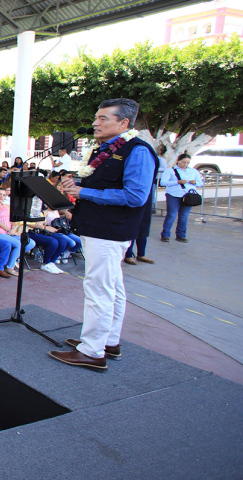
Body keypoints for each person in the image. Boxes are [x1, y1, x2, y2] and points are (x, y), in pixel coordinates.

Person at [53, 98, 159, 371]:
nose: (95, 123)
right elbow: (105, 184)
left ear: (124, 123)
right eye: (96, 117)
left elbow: (135, 196)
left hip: (110, 230)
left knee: (98, 288)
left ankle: (91, 351)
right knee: (112, 286)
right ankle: (108, 340)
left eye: (103, 118)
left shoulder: (137, 151)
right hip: (97, 226)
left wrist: (84, 192)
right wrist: (77, 183)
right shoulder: (108, 148)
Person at [159, 153, 203, 244]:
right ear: (178, 161)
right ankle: (165, 234)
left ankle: (181, 235)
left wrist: (195, 182)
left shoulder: (193, 171)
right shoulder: (170, 170)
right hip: (174, 194)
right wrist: (177, 182)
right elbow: (163, 182)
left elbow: (200, 183)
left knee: (184, 216)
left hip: (188, 196)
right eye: (183, 162)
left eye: (188, 162)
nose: (185, 164)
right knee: (171, 215)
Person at [0, 188, 29, 277]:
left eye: (4, 195)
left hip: (9, 232)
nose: (2, 196)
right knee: (18, 244)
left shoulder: (7, 206)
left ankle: (13, 258)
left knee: (30, 242)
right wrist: (9, 230)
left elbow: (12, 221)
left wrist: (13, 228)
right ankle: (10, 266)